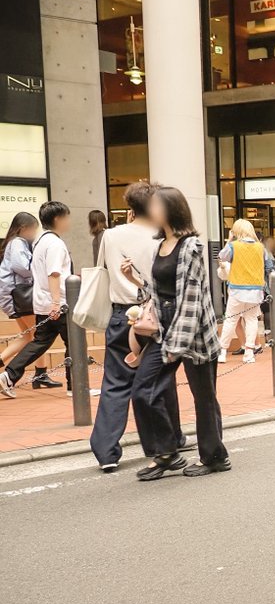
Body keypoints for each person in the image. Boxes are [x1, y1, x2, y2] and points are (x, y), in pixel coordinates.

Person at [125, 186, 229, 479]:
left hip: (193, 332)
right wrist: (134, 280)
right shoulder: (159, 246)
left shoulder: (191, 246)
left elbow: (191, 298)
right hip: (164, 328)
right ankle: (166, 452)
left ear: (171, 209)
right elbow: (160, 291)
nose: (150, 210)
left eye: (155, 205)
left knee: (203, 397)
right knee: (143, 390)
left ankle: (215, 457)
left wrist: (177, 344)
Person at [90, 181, 165, 472]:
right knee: (158, 380)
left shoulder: (110, 235)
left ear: (130, 206)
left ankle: (106, 452)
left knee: (115, 381)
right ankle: (163, 443)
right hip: (154, 314)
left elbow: (103, 270)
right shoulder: (160, 235)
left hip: (121, 313)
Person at [1, 201, 74, 398]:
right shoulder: (55, 243)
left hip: (42, 301)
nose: (69, 221)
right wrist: (56, 302)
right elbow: (54, 273)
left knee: (39, 342)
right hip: (58, 303)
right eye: (67, 217)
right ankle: (74, 386)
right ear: (58, 219)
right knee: (74, 343)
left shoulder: (40, 241)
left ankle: (9, 375)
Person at [0, 212, 50, 380]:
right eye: (33, 229)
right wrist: (40, 270)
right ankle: (40, 375)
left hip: (15, 296)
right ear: (23, 228)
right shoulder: (18, 242)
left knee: (29, 335)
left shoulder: (14, 242)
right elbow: (21, 266)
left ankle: (41, 374)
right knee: (38, 336)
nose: (35, 233)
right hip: (21, 296)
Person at [217, 219, 271, 364]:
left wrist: (229, 240)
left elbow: (221, 256)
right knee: (252, 320)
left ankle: (222, 352)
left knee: (230, 320)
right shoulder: (261, 248)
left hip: (237, 290)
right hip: (256, 290)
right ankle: (249, 353)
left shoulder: (234, 246)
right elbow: (269, 265)